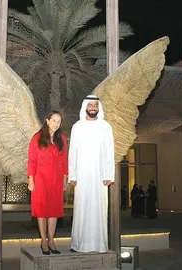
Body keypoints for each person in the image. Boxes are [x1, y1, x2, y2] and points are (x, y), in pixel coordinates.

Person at [68, 95, 115, 253]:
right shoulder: (77, 126)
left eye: (95, 105)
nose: (93, 107)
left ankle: (99, 245)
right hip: (81, 174)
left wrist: (109, 175)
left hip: (99, 174)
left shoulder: (105, 126)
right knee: (81, 206)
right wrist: (72, 175)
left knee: (99, 207)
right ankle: (78, 244)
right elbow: (72, 152)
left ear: (98, 107)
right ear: (85, 107)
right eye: (91, 105)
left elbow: (109, 152)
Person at [27, 111, 68, 255]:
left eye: (59, 121)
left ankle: (51, 239)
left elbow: (64, 161)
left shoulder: (61, 138)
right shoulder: (37, 138)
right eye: (54, 120)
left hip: (56, 179)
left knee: (54, 210)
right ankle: (43, 240)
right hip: (40, 179)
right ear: (47, 121)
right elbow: (32, 160)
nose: (56, 124)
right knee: (42, 210)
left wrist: (64, 179)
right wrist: (31, 180)